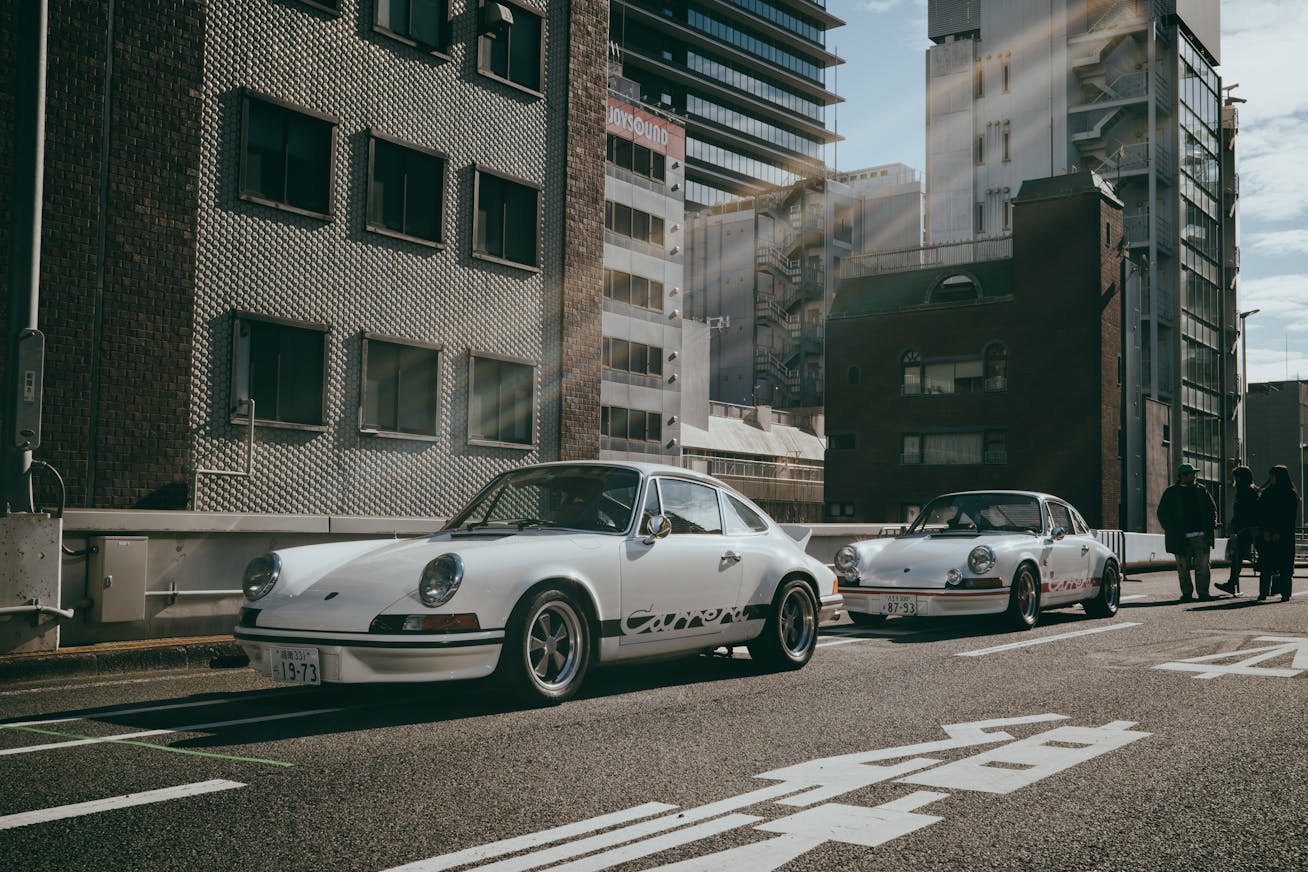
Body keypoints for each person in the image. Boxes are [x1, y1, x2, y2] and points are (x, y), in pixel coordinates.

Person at [1157, 462, 1218, 602]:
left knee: (1203, 567)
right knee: (1183, 568)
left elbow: (1212, 509)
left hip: (1201, 536)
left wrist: (1211, 525)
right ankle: (1187, 594)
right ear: (1183, 476)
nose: (1195, 476)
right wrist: (1171, 529)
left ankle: (1203, 593)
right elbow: (1163, 514)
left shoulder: (1201, 490)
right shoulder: (1171, 492)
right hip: (1180, 538)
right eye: (1192, 474)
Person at [1255, 465, 1299, 602]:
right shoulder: (1291, 493)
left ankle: (1264, 593)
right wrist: (1278, 532)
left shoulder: (1267, 493)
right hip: (1285, 535)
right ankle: (1285, 593)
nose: (1270, 478)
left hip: (1270, 534)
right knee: (1285, 566)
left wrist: (1266, 531)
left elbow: (1261, 514)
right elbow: (1289, 517)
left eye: (1272, 475)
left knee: (1267, 565)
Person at [1216, 466, 1259, 596]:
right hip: (1251, 527)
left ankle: (1232, 583)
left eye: (1235, 476)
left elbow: (1243, 512)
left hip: (1246, 528)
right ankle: (1272, 583)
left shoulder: (1244, 491)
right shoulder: (1252, 490)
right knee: (1256, 555)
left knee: (1238, 556)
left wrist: (1236, 525)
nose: (1234, 479)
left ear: (1240, 477)